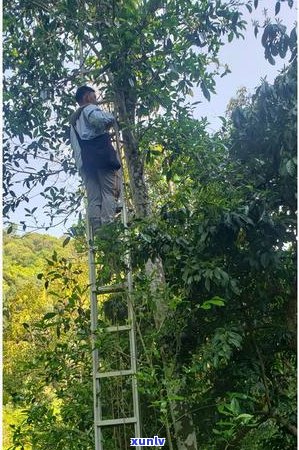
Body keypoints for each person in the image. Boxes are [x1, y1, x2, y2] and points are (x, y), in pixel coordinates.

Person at [69, 86, 121, 233]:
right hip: (101, 157)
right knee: (109, 192)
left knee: (94, 196)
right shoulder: (89, 109)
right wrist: (112, 117)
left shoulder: (73, 121)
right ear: (87, 97)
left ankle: (97, 228)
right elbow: (98, 120)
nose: (96, 99)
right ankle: (108, 227)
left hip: (85, 162)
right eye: (94, 96)